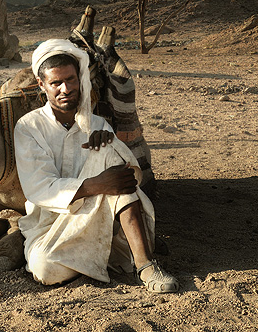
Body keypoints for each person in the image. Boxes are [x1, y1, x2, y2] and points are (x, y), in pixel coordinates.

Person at [13, 39, 179, 293]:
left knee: (108, 149)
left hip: (101, 212)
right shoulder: (29, 127)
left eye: (70, 79)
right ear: (42, 85)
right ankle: (109, 253)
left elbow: (126, 180)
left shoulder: (97, 125)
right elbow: (39, 186)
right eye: (56, 83)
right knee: (46, 269)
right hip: (51, 224)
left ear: (80, 79)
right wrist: (96, 184)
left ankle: (145, 265)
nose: (65, 89)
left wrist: (109, 143)